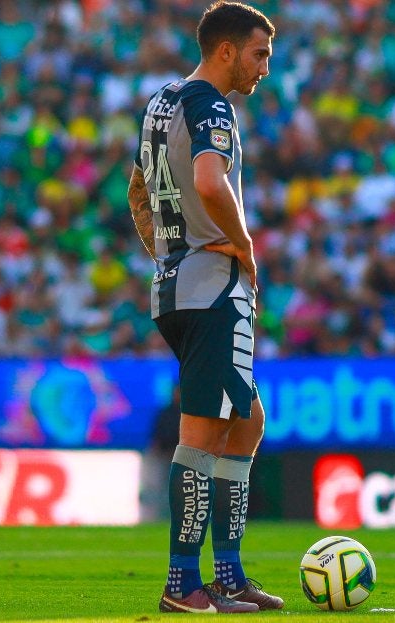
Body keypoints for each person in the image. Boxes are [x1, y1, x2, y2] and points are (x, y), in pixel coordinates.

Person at [126, 2, 282, 614]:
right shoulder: (211, 104)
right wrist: (240, 247)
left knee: (245, 420)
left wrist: (167, 251)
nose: (264, 68)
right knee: (203, 432)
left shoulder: (160, 101)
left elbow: (139, 187)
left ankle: (230, 575)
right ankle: (183, 584)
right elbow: (213, 184)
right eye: (259, 53)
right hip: (212, 285)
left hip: (176, 283)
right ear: (225, 50)